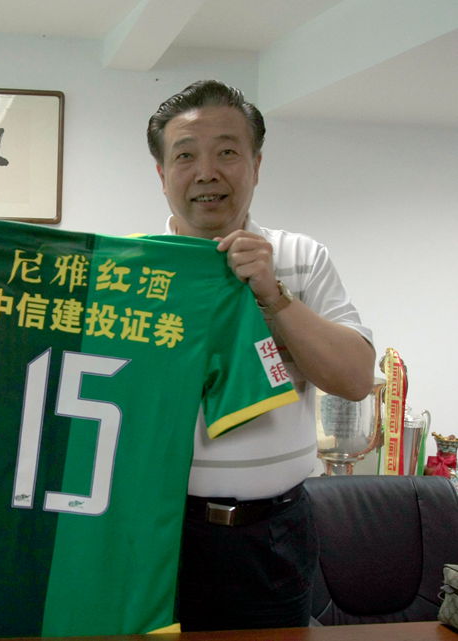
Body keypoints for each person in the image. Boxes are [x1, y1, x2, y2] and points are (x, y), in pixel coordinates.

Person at [146, 80, 375, 630]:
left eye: (227, 151)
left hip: (275, 533)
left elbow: (355, 378)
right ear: (161, 173)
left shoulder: (300, 257)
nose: (207, 172)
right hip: (159, 528)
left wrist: (272, 295)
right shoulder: (133, 273)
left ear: (256, 163)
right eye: (185, 155)